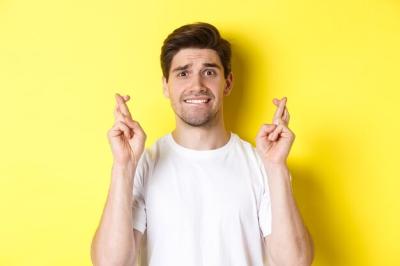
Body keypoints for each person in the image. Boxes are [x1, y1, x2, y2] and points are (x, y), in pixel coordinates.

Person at [91, 22, 314, 266]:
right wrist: (123, 167)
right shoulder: (141, 165)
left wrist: (277, 167)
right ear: (166, 85)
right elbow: (110, 264)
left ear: (227, 83)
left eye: (209, 72)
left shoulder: (263, 165)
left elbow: (296, 263)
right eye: (183, 73)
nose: (196, 85)